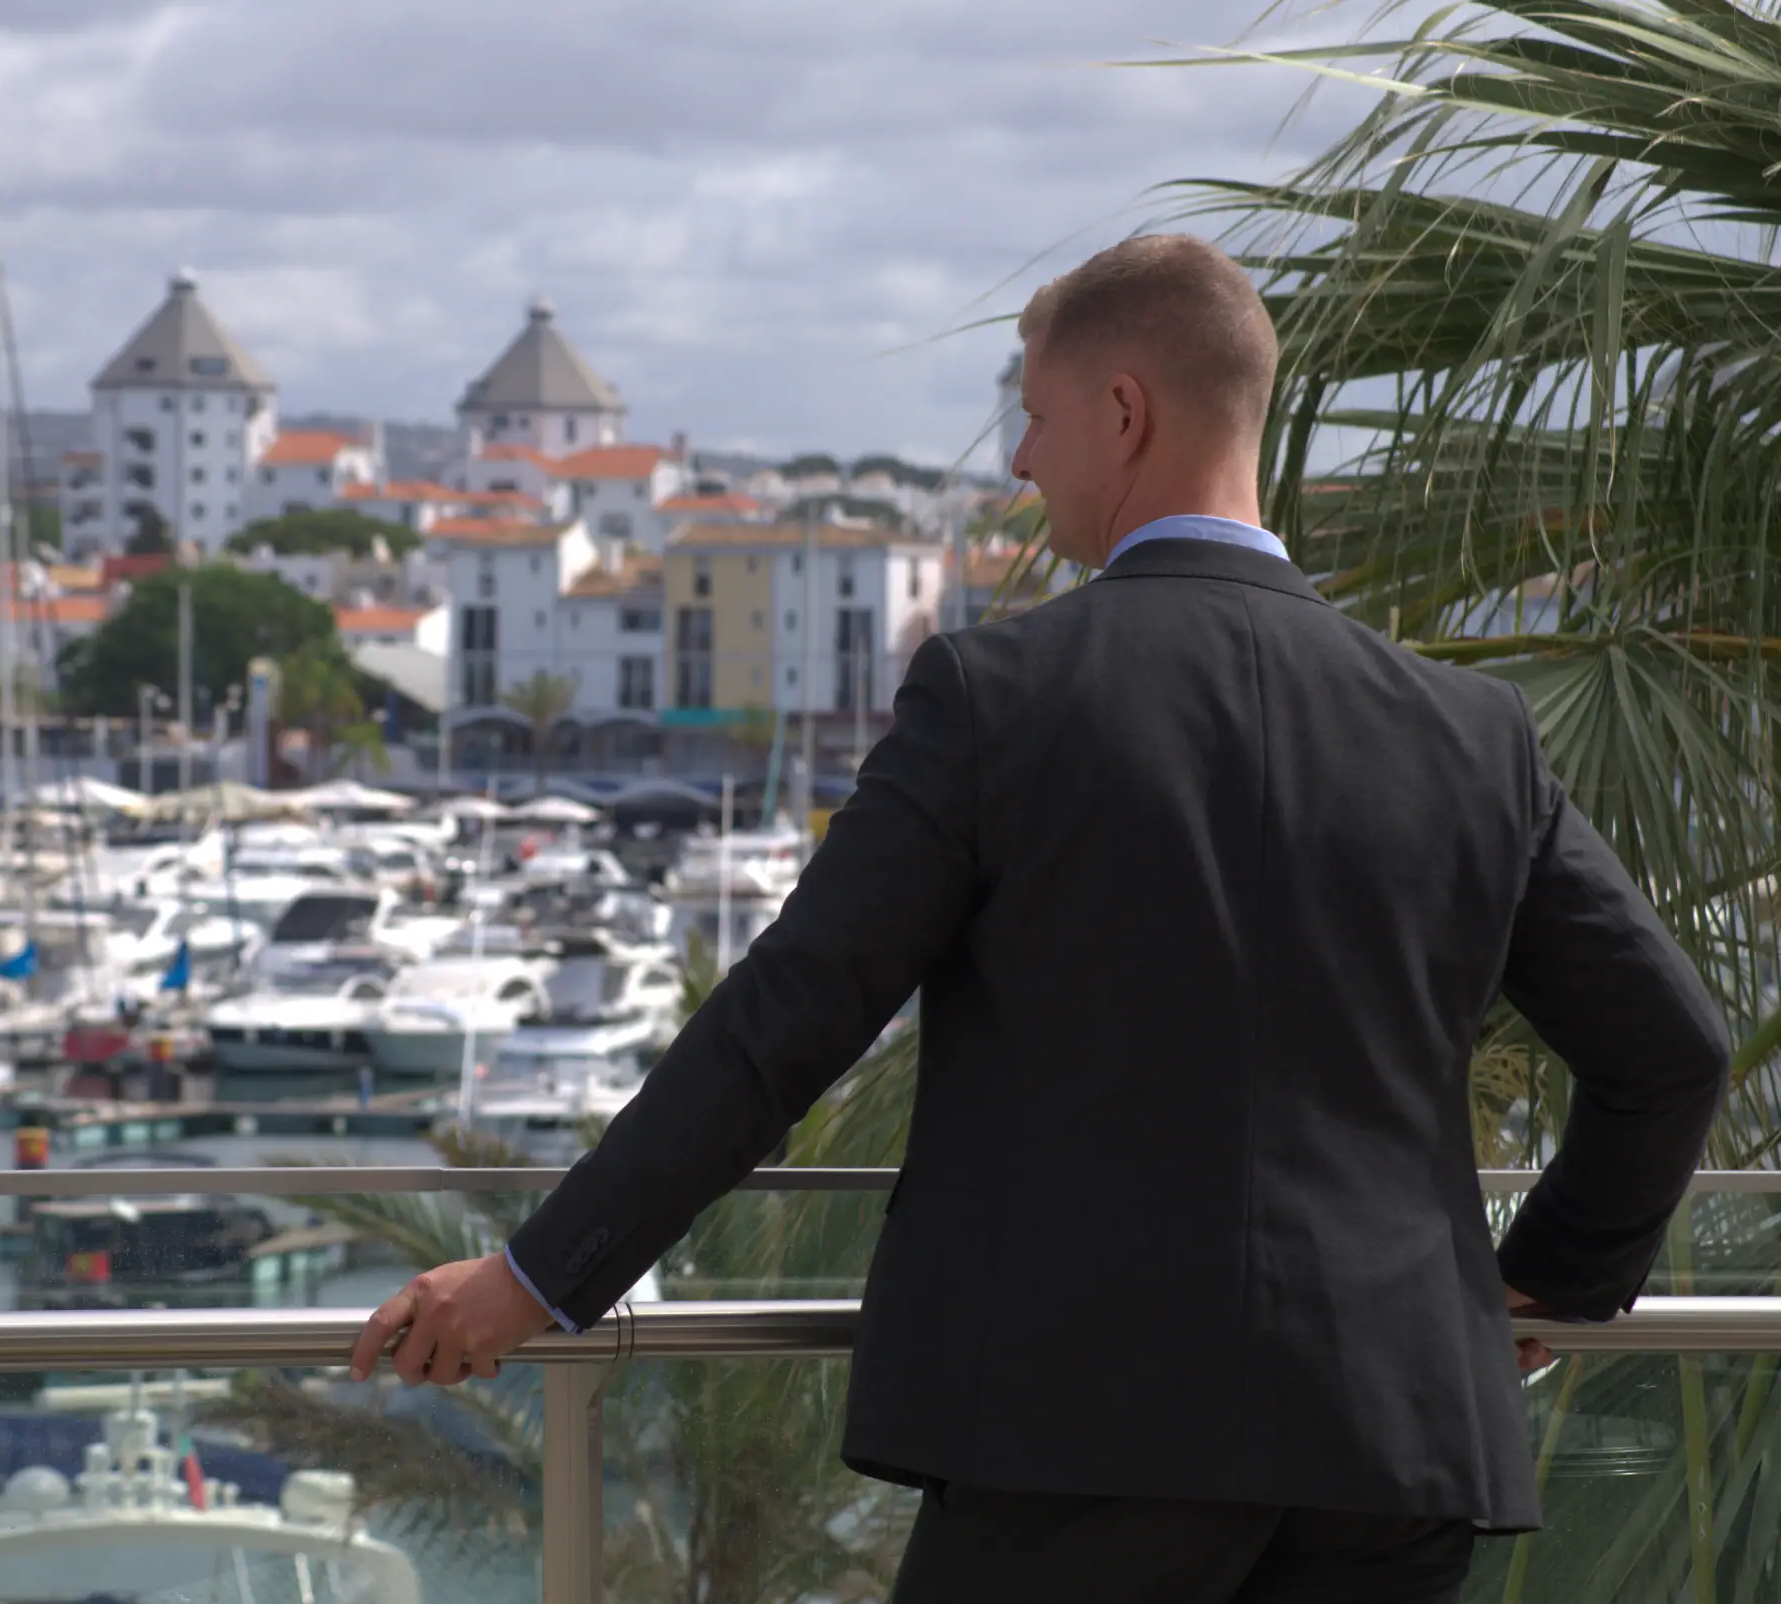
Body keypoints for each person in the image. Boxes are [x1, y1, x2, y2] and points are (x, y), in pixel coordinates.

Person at [348, 235, 1732, 1603]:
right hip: (1395, 1447)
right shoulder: (1466, 735)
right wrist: (1545, 1287)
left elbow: (786, 1027)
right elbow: (1671, 1051)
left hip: (1080, 1442)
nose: (1020, 459)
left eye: (1034, 414)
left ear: (1123, 411)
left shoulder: (995, 699)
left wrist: (537, 1280)